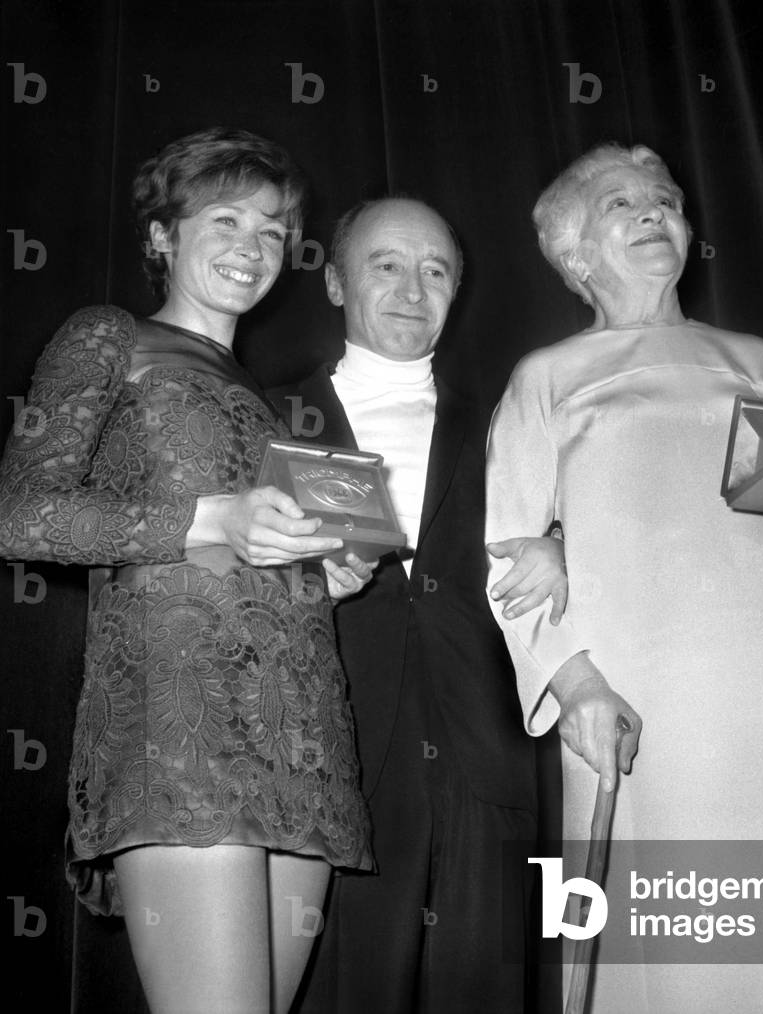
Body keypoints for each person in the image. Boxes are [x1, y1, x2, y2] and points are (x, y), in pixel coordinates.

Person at [485, 144, 763, 1013]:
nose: (654, 213)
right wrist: (573, 683)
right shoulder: (545, 378)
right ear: (575, 255)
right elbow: (510, 557)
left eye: (666, 201)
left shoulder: (756, 360)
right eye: (623, 205)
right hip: (635, 703)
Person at [0, 127, 374, 1014]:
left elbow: (246, 553)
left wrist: (322, 568)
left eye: (275, 229)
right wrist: (215, 516)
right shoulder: (108, 336)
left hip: (301, 737)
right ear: (163, 234)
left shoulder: (267, 396)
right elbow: (21, 513)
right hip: (182, 733)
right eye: (227, 219)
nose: (254, 247)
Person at [267, 197, 565, 1014]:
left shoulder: (509, 423)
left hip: (487, 758)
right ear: (333, 284)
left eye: (435, 271)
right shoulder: (266, 417)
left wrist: (564, 544)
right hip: (332, 762)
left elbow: (601, 521)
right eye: (386, 265)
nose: (411, 288)